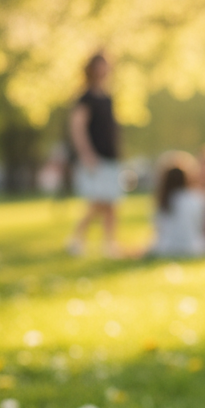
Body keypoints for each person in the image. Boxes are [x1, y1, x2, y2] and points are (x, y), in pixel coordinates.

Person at [67, 52, 122, 256]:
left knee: (111, 204)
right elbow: (77, 127)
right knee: (98, 201)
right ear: (91, 69)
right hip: (94, 158)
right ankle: (76, 238)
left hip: (111, 156)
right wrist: (86, 154)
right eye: (99, 65)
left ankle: (110, 244)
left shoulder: (108, 97)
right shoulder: (85, 97)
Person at [147, 152, 205, 257]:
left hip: (165, 249)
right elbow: (204, 226)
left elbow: (158, 230)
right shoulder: (197, 198)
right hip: (195, 249)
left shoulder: (162, 201)